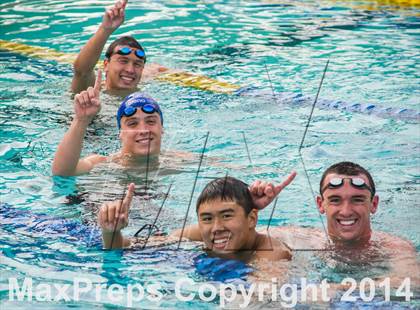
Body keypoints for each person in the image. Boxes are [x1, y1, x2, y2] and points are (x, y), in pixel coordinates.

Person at [264, 161, 419, 287]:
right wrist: (250, 206)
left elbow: (411, 283)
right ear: (320, 204)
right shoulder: (303, 239)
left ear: (374, 204)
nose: (346, 211)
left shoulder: (392, 247)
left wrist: (336, 289)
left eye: (357, 200)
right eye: (335, 200)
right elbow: (248, 237)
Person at [97, 173, 297, 264]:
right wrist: (111, 230)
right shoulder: (198, 234)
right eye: (207, 219)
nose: (216, 227)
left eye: (227, 216)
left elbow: (262, 297)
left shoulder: (272, 253)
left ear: (252, 218)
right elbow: (128, 247)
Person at [53, 70, 164, 176]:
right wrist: (81, 120)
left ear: (162, 128)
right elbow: (62, 172)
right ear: (120, 133)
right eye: (132, 124)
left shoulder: (176, 163)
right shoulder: (103, 165)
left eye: (150, 121)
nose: (143, 130)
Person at [71, 0, 167, 94]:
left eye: (137, 64)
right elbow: (82, 71)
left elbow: (156, 69)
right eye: (123, 61)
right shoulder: (92, 92)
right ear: (106, 65)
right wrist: (105, 29)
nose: (130, 70)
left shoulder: (144, 88)